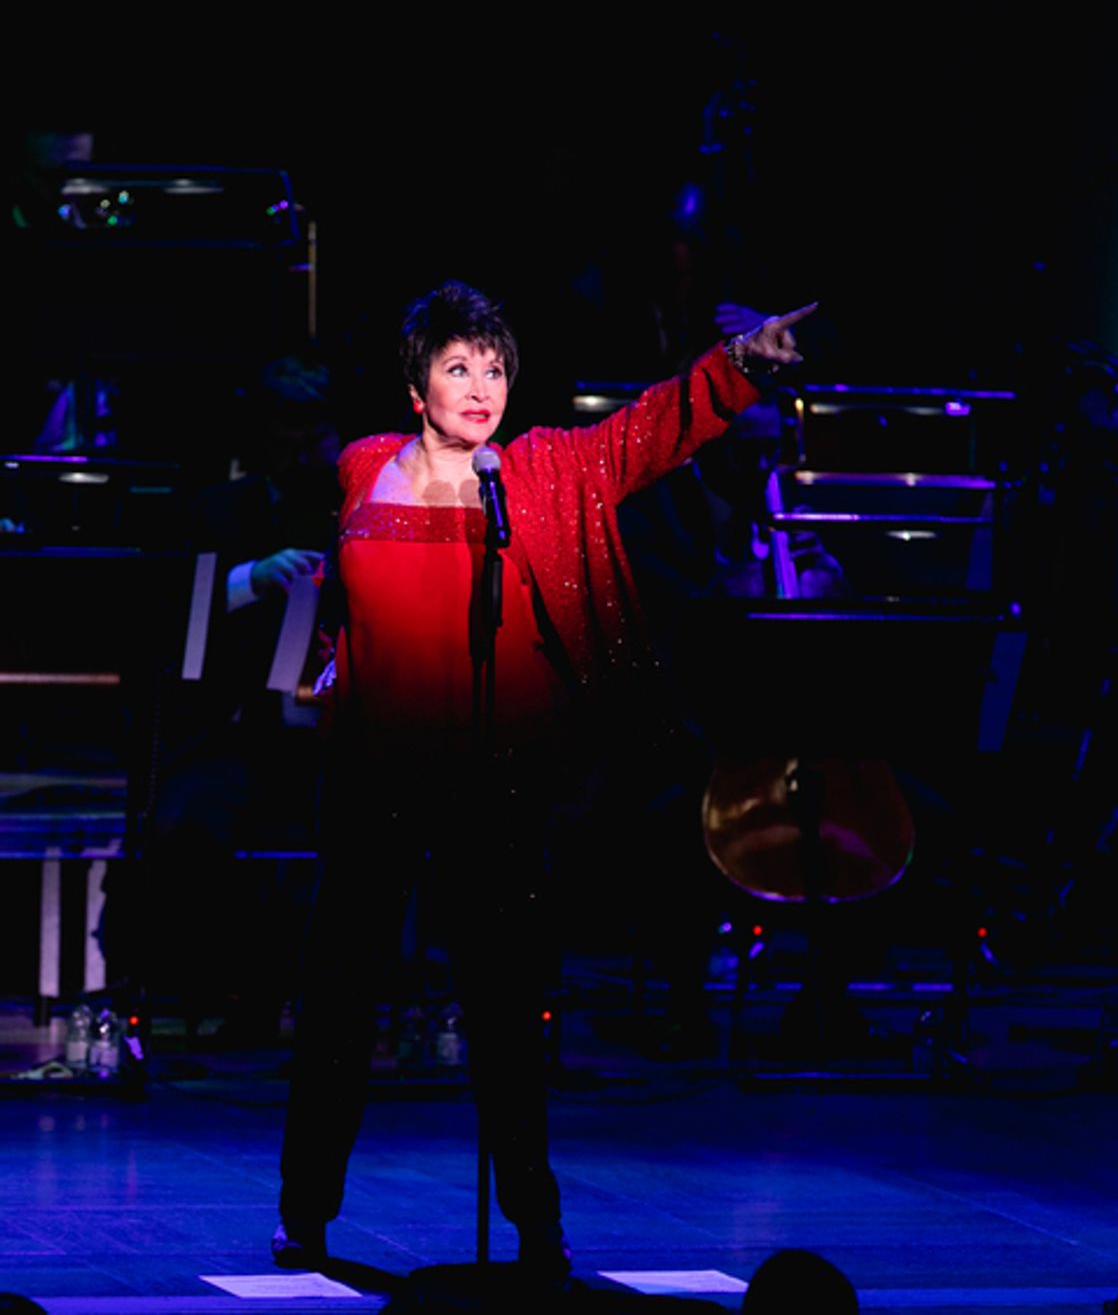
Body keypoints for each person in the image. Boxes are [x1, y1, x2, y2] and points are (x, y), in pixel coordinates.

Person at [272, 281, 815, 1277]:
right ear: (415, 382)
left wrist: (737, 366)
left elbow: (653, 428)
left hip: (493, 780)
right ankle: (304, 1212)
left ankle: (532, 1220)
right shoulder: (358, 473)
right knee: (341, 998)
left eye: (493, 367)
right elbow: (330, 607)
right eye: (457, 366)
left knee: (505, 1008)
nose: (479, 385)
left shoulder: (537, 475)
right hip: (371, 780)